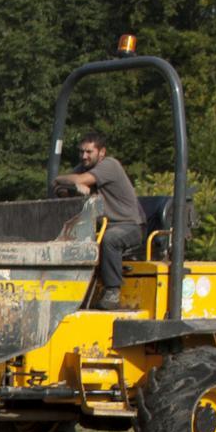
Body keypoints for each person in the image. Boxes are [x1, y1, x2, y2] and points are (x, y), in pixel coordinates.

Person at [53, 132, 144, 309]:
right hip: (102, 227)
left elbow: (74, 181)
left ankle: (112, 292)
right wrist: (67, 186)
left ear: (101, 152)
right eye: (81, 152)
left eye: (89, 152)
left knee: (111, 239)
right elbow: (60, 189)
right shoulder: (83, 167)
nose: (84, 156)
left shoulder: (110, 165)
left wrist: (63, 180)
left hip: (129, 226)